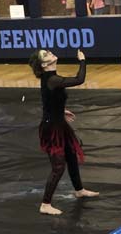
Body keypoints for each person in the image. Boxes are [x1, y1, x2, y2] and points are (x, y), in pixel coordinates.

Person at [29, 49, 99, 215]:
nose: (50, 52)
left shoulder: (51, 79)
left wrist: (61, 111)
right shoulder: (52, 79)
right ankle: (45, 204)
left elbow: (48, 99)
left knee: (71, 156)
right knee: (58, 166)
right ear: (44, 64)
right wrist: (82, 60)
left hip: (58, 123)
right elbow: (79, 79)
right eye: (46, 55)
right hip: (51, 128)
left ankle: (79, 189)